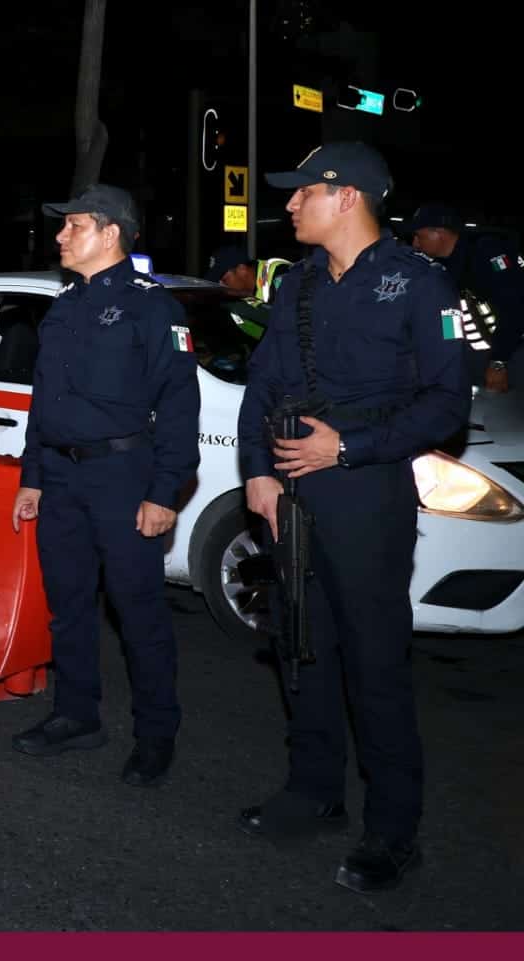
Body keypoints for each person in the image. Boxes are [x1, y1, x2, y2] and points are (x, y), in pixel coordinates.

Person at [236, 143, 470, 893]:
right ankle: (315, 791)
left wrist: (352, 447)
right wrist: (259, 474)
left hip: (366, 492)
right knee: (302, 645)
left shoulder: (419, 285)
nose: (292, 204)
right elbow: (260, 383)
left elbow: (446, 402)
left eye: (303, 192)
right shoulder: (296, 283)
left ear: (347, 197)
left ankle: (393, 831)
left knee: (374, 662)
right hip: (292, 493)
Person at [9, 184, 199, 788]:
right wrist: (32, 477)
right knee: (68, 606)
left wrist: (165, 491)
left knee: (137, 612)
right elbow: (46, 401)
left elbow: (178, 407)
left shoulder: (153, 308)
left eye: (74, 225)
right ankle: (76, 715)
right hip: (61, 477)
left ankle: (156, 735)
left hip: (123, 477)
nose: (61, 235)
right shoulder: (64, 307)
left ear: (111, 232)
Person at [407, 203, 522, 393]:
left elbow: (514, 306)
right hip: (481, 353)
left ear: (439, 232)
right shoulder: (443, 269)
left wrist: (499, 362)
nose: (415, 244)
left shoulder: (487, 251)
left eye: (419, 236)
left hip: (513, 352)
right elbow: (450, 314)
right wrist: (448, 354)